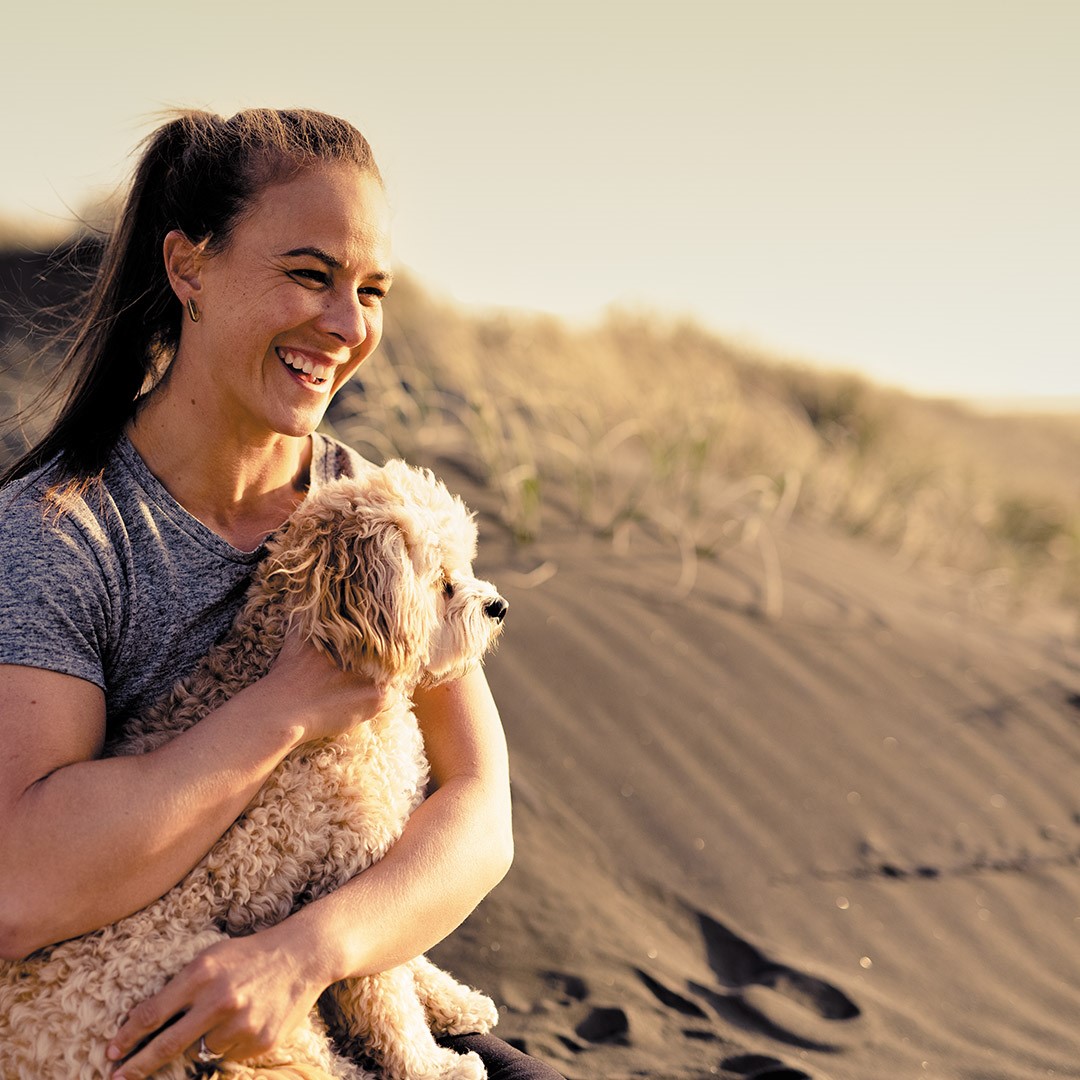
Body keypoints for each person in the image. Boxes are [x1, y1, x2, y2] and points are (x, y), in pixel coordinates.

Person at [0, 108, 562, 1080]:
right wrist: (288, 707)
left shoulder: (373, 512)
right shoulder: (58, 537)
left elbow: (479, 809)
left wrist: (301, 958)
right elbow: (23, 888)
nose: (346, 326)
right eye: (310, 274)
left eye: (371, 290)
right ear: (189, 268)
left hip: (327, 982)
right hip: (135, 1024)